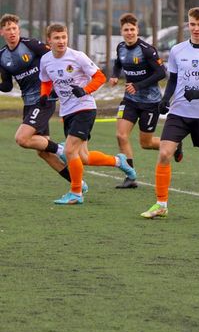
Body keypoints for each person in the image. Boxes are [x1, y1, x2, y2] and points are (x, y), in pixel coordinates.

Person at [140, 7, 199, 220]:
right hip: (178, 112)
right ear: (188, 25)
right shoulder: (177, 50)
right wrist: (165, 99)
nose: (196, 28)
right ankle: (161, 204)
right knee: (164, 153)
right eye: (192, 24)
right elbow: (173, 79)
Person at [39, 23, 137, 205]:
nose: (61, 41)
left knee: (69, 150)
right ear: (49, 40)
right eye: (57, 38)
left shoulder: (77, 57)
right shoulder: (45, 60)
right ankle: (118, 161)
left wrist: (84, 90)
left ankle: (76, 192)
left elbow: (100, 77)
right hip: (67, 111)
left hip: (84, 108)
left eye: (64, 37)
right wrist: (44, 95)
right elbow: (45, 81)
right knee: (82, 156)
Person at [0, 13, 85, 190]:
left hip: (44, 98)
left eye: (14, 28)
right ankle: (77, 184)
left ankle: (61, 150)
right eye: (8, 29)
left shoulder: (30, 44)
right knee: (42, 152)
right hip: (28, 102)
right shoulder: (2, 56)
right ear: (2, 32)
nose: (12, 32)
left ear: (19, 30)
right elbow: (7, 86)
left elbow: (54, 56)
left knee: (22, 139)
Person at [109, 13, 167, 189]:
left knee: (146, 143)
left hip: (150, 102)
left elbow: (161, 73)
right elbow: (118, 63)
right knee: (121, 135)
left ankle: (174, 144)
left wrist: (138, 85)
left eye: (132, 29)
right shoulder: (120, 47)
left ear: (137, 30)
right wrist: (114, 75)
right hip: (130, 100)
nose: (129, 33)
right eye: (126, 30)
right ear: (121, 32)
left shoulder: (146, 50)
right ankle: (130, 176)